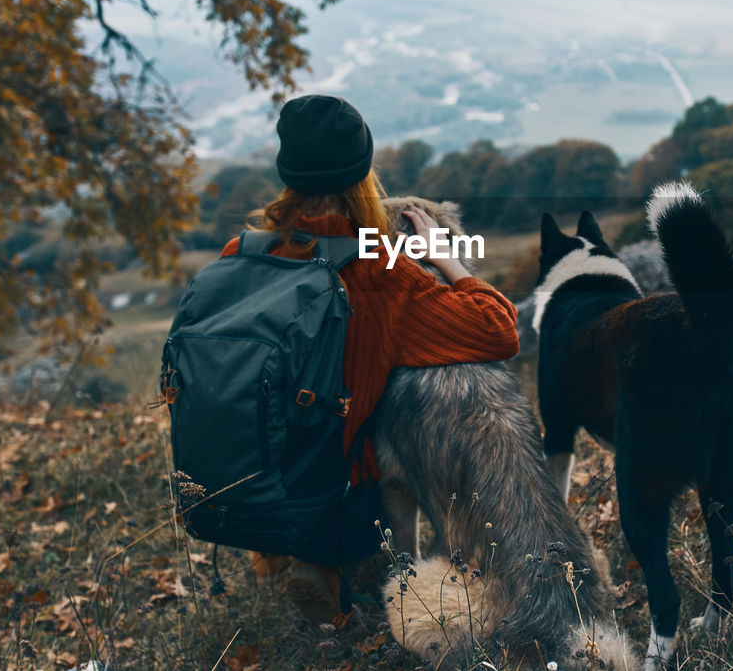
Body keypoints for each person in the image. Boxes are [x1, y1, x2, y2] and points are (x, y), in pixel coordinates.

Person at [220, 94, 519, 627]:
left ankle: (285, 549)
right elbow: (498, 329)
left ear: (287, 173)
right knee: (364, 451)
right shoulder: (384, 272)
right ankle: (328, 556)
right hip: (338, 480)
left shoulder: (240, 254)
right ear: (363, 173)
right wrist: (441, 256)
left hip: (244, 465)